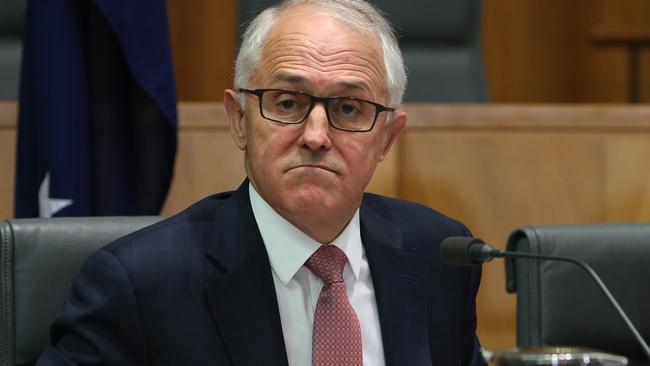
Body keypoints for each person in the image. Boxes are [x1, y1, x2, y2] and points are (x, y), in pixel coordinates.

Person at [37, 0, 485, 365]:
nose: (315, 136)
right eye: (288, 102)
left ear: (386, 137)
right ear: (239, 121)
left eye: (349, 109)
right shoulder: (137, 284)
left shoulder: (439, 256)